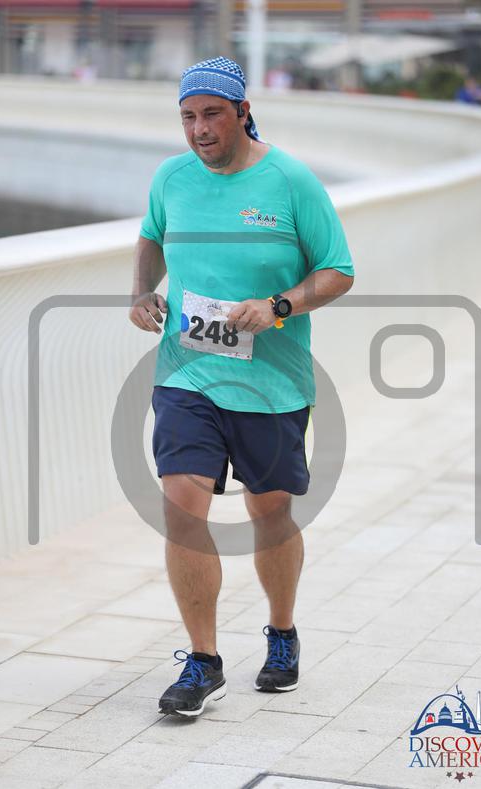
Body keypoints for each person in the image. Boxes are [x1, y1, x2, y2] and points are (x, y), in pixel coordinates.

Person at [129, 56, 354, 718]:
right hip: (187, 374)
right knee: (182, 507)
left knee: (270, 513)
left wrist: (279, 306)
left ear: (243, 112)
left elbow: (338, 269)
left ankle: (281, 632)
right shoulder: (171, 178)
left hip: (270, 383)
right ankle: (203, 661)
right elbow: (151, 237)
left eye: (212, 115)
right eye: (188, 117)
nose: (199, 129)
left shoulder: (290, 182)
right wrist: (141, 292)